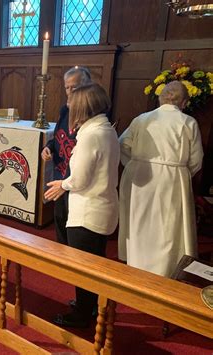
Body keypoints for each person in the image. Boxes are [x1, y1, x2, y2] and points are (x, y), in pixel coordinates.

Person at [44, 83, 120, 328]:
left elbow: (80, 178)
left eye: (72, 104)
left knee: (83, 267)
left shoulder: (91, 135)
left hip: (88, 212)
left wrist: (62, 185)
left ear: (82, 107)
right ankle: (89, 305)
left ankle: (83, 315)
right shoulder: (106, 129)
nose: (69, 108)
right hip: (102, 208)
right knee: (94, 264)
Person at [118, 81, 203, 277]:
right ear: (183, 102)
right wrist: (180, 175)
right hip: (171, 179)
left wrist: (134, 164)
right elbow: (196, 160)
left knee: (139, 222)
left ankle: (136, 262)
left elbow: (122, 144)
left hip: (140, 176)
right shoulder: (188, 122)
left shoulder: (141, 119)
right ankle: (163, 270)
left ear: (160, 98)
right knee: (167, 226)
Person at [41, 66, 92, 245]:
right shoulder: (65, 111)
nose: (70, 92)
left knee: (76, 231)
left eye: (75, 88)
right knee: (60, 222)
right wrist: (48, 148)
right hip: (59, 177)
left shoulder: (91, 116)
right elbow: (57, 138)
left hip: (78, 183)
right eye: (67, 87)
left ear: (87, 87)